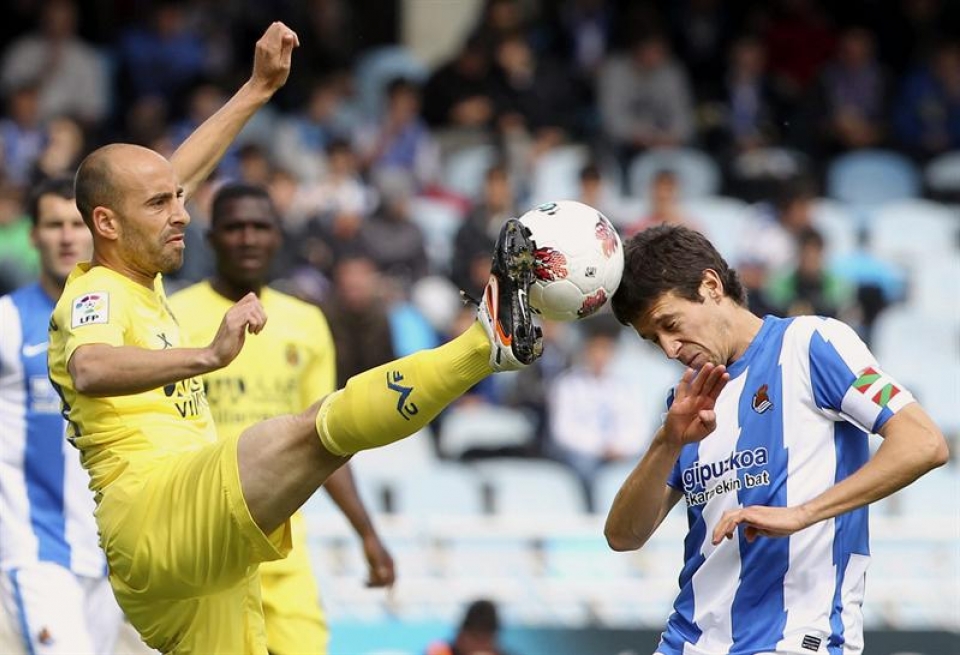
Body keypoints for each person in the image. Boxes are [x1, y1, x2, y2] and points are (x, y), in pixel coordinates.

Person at [47, 22, 544, 653]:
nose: (182, 213)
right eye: (161, 205)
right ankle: (484, 345)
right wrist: (207, 355)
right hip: (154, 511)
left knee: (322, 441)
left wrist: (257, 89)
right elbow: (88, 366)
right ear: (106, 223)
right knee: (314, 430)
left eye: (179, 199)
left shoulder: (139, 268)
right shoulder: (93, 292)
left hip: (195, 554)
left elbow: (175, 175)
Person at [604, 225, 948, 655]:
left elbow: (924, 442)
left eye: (669, 324)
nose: (669, 348)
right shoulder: (688, 400)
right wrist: (667, 441)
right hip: (687, 641)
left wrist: (803, 513)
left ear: (710, 286)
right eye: (653, 339)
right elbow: (623, 537)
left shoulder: (813, 344)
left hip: (795, 640)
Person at [168, 183, 395, 655]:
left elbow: (326, 439)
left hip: (282, 544)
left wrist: (367, 535)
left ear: (277, 237)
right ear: (211, 239)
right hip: (202, 543)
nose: (248, 238)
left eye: (260, 227)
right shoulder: (173, 316)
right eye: (234, 227)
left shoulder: (305, 321)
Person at [0, 177, 124, 654]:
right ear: (33, 235)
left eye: (77, 224)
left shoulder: (115, 319)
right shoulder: (8, 321)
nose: (67, 237)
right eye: (54, 225)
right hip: (34, 551)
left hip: (106, 554)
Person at [425, 598, 512, 655]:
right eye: (476, 637)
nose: (480, 645)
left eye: (485, 640)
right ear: (461, 636)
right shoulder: (440, 652)